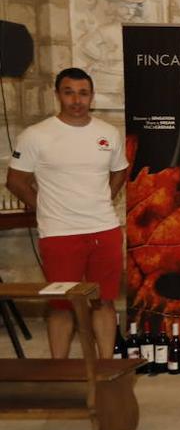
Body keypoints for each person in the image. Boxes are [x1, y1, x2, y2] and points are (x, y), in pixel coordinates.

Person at [6, 67, 128, 359]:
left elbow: (120, 172)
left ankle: (105, 371)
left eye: (83, 93)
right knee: (61, 304)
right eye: (69, 92)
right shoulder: (37, 135)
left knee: (105, 302)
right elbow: (16, 181)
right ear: (58, 95)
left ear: (92, 96)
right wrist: (44, 207)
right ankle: (58, 371)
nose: (77, 100)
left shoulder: (108, 133)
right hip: (60, 234)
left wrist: (103, 199)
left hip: (104, 230)